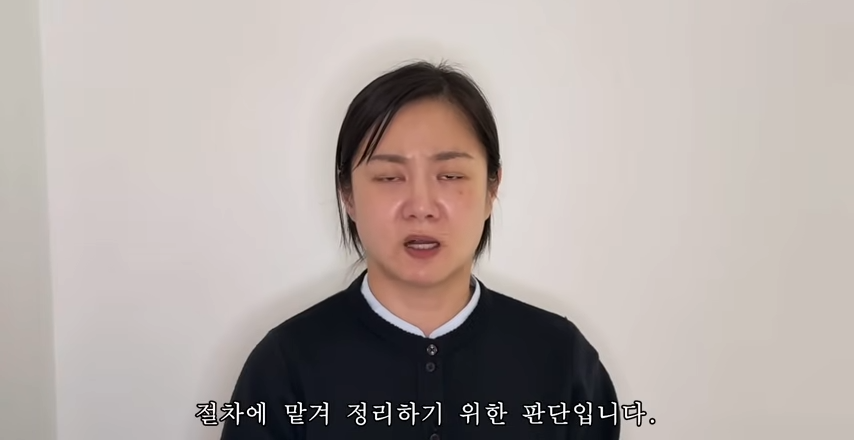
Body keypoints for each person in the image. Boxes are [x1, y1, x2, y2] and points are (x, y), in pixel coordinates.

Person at [218, 60, 620, 439]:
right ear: (348, 195)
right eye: (389, 177)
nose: (421, 207)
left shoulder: (560, 358)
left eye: (451, 175)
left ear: (491, 188)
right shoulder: (285, 366)